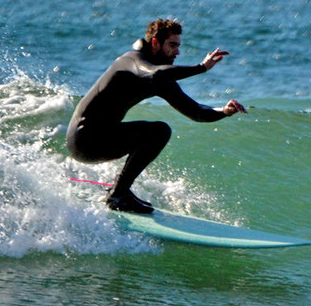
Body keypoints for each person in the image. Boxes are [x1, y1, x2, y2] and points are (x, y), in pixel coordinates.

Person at [66, 18, 247, 214]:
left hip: (102, 138)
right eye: (172, 45)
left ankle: (119, 191)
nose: (177, 52)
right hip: (84, 139)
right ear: (155, 43)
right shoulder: (132, 61)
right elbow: (154, 74)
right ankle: (118, 195)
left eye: (178, 46)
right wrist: (200, 68)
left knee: (157, 131)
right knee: (158, 131)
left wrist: (224, 111)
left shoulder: (161, 81)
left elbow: (196, 112)